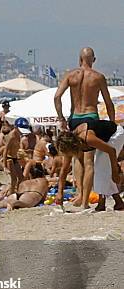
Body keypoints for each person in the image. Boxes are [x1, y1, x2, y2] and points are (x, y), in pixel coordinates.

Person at [54, 47, 119, 210]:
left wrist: (61, 118)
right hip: (91, 118)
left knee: (74, 158)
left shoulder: (70, 75)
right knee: (90, 162)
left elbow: (57, 97)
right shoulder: (98, 77)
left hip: (74, 119)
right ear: (94, 60)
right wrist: (111, 123)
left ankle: (79, 194)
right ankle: (84, 202)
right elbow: (108, 102)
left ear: (79, 59)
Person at [2, 118, 27, 195]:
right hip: (9, 159)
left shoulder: (18, 135)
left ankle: (16, 192)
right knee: (14, 180)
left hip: (15, 158)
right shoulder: (11, 136)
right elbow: (5, 150)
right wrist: (4, 166)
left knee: (21, 178)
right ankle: (11, 194)